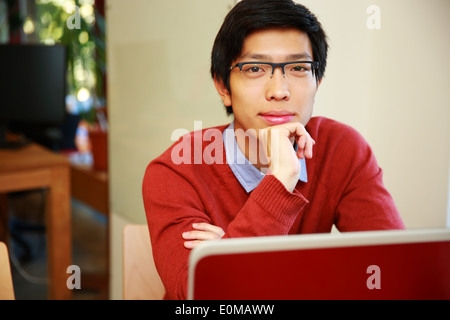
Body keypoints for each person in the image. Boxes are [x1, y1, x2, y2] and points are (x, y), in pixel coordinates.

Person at [142, 0, 405, 300]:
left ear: (317, 81)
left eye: (297, 68)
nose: (279, 90)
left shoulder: (341, 149)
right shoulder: (177, 170)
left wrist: (229, 253)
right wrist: (280, 179)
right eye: (254, 68)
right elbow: (198, 298)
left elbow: (393, 273)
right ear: (223, 87)